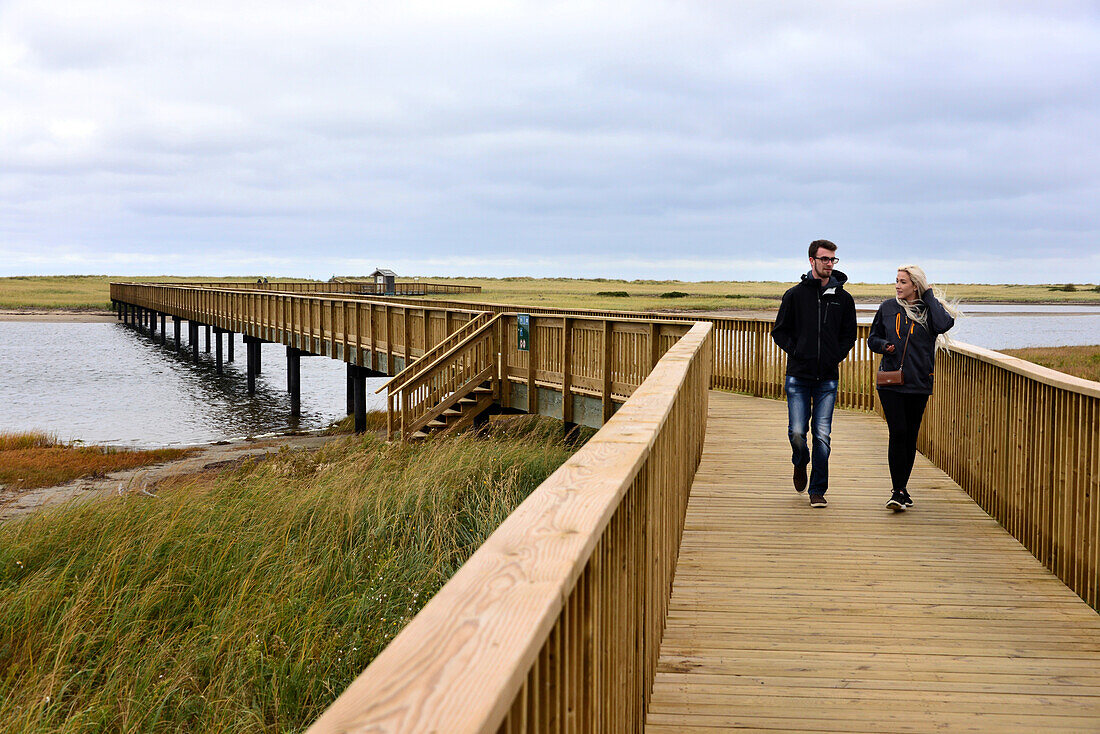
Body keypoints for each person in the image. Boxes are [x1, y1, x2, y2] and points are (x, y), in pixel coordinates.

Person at [771, 240, 857, 508]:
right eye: (825, 259)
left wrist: (834, 356)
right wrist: (797, 350)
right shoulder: (795, 295)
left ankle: (818, 490)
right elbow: (779, 331)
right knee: (797, 432)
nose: (829, 264)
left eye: (833, 259)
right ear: (812, 261)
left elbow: (849, 335)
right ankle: (800, 461)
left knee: (822, 434)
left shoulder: (843, 299)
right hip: (798, 375)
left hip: (828, 378)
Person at [867, 265, 959, 511]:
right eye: (896, 281)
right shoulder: (887, 308)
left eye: (903, 282)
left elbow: (944, 325)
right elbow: (871, 338)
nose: (897, 286)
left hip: (919, 383)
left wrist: (928, 296)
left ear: (915, 285)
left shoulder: (930, 312)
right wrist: (884, 345)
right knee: (898, 432)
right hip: (891, 382)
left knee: (910, 437)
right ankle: (897, 491)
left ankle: (902, 489)